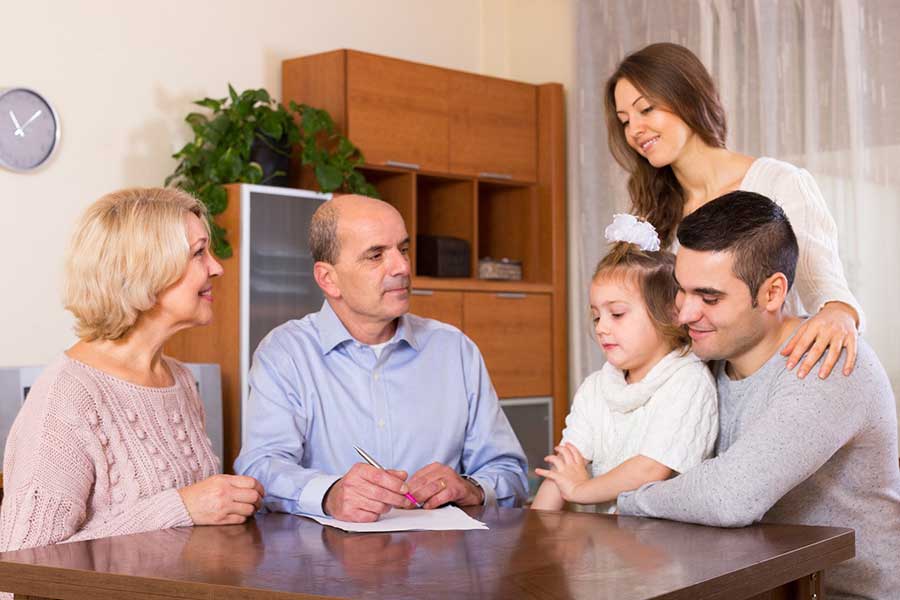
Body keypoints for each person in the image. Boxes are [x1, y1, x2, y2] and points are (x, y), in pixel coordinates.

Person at [616, 191, 900, 600]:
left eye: (709, 298)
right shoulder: (703, 359)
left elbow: (730, 497)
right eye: (682, 290)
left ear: (771, 293)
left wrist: (628, 500)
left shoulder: (828, 362)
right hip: (759, 587)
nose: (685, 313)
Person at [0, 188, 265, 554]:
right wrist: (181, 507)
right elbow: (22, 566)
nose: (217, 267)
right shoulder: (67, 397)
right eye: (199, 252)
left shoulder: (179, 379)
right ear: (146, 270)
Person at [234, 194, 528, 523]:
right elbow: (260, 467)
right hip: (326, 565)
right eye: (376, 255)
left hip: (441, 563)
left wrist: (472, 488)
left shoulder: (455, 350)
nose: (402, 267)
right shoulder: (285, 354)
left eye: (403, 249)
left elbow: (510, 473)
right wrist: (330, 494)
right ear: (328, 279)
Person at [605, 42, 863, 380]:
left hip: (770, 384)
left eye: (647, 109)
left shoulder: (779, 183)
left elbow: (825, 287)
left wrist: (840, 313)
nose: (634, 130)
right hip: (689, 395)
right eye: (625, 121)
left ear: (687, 97)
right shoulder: (651, 212)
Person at [531, 214, 717, 512]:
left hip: (669, 548)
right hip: (607, 544)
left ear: (670, 313)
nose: (602, 327)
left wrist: (580, 490)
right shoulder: (595, 388)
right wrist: (533, 532)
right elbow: (564, 468)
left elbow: (649, 469)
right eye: (596, 316)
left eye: (616, 314)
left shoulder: (687, 382)